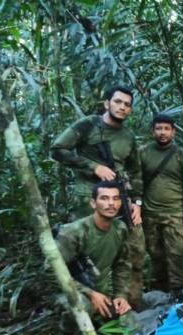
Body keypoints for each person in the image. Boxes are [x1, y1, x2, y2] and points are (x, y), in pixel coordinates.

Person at [51, 85, 145, 306]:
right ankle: (87, 303)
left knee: (134, 248)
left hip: (120, 197)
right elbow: (57, 150)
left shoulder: (128, 136)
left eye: (127, 105)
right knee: (88, 252)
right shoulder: (88, 125)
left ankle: (128, 302)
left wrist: (137, 202)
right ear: (107, 103)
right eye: (118, 102)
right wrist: (93, 167)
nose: (122, 107)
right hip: (88, 198)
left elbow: (136, 171)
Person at [55, 181, 133, 330]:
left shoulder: (120, 229)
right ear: (93, 203)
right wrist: (90, 294)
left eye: (116, 198)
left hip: (100, 290)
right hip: (71, 290)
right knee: (83, 308)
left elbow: (122, 264)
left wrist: (120, 295)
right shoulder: (74, 233)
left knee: (128, 321)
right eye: (104, 198)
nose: (111, 204)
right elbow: (51, 271)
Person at [139, 114, 183, 293]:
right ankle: (160, 289)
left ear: (173, 132)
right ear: (153, 131)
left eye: (166, 129)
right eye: (159, 128)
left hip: (175, 213)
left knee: (177, 254)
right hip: (149, 213)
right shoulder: (143, 152)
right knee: (156, 253)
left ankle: (179, 291)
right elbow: (135, 180)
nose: (162, 132)